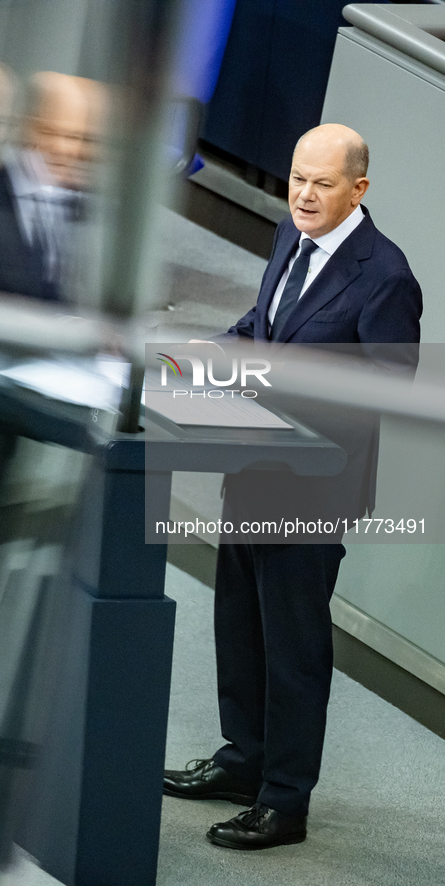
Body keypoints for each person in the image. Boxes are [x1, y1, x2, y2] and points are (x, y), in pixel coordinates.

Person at [163, 124, 422, 849]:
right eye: (296, 179)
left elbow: (386, 388)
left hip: (310, 492)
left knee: (293, 650)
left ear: (358, 190)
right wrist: (197, 360)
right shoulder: (290, 237)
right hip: (251, 472)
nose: (302, 195)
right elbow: (260, 327)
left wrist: (276, 393)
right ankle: (242, 762)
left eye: (321, 184)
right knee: (240, 630)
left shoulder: (386, 276)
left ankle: (284, 802)